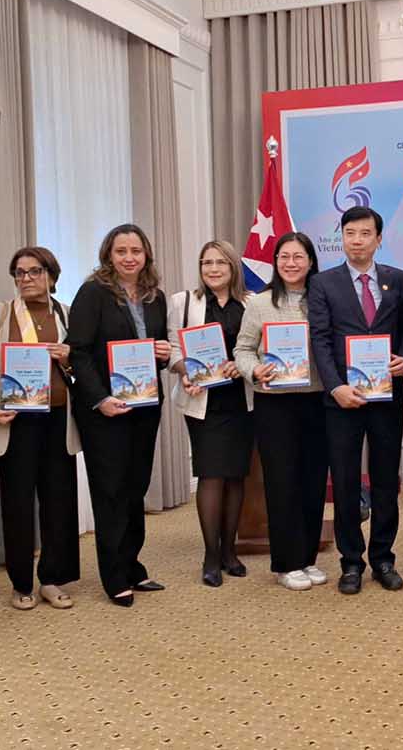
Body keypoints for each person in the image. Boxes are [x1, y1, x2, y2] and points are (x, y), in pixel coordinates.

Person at [307, 206, 403, 595]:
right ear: (342, 238)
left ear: (378, 239)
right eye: (350, 233)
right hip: (343, 400)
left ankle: (383, 558)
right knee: (346, 482)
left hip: (386, 397)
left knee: (385, 481)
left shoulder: (398, 280)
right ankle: (351, 561)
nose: (357, 241)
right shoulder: (324, 283)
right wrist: (335, 386)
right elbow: (320, 339)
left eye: (365, 233)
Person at [67, 224, 172, 607]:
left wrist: (164, 354)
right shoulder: (93, 292)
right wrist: (100, 399)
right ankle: (113, 577)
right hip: (106, 410)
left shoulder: (155, 296)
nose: (129, 257)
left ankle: (132, 566)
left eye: (136, 251)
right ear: (108, 255)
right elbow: (77, 352)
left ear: (146, 256)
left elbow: (155, 349)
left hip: (144, 405)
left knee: (135, 487)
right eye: (121, 251)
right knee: (110, 491)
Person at [0, 247, 81, 611]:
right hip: (15, 421)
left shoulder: (67, 313)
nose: (26, 279)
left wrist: (70, 357)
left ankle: (51, 579)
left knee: (58, 501)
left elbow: (83, 366)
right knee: (18, 503)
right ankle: (21, 583)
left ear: (51, 276)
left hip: (58, 420)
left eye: (34, 271)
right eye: (19, 273)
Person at [234, 233, 331, 591]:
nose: (291, 263)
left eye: (298, 257)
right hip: (274, 403)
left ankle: (307, 558)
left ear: (310, 261)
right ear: (275, 262)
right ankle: (286, 563)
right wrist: (254, 370)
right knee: (282, 482)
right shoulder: (259, 303)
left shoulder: (323, 299)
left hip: (317, 400)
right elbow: (243, 349)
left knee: (313, 481)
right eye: (284, 257)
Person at [169, 240, 254, 587]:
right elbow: (173, 348)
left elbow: (258, 348)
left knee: (235, 476)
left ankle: (230, 551)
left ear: (233, 267)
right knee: (211, 475)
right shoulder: (184, 302)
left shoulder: (250, 303)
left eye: (221, 262)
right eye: (207, 263)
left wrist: (242, 364)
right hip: (202, 402)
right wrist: (185, 370)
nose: (213, 269)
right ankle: (210, 555)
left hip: (242, 401)